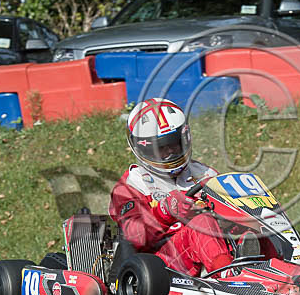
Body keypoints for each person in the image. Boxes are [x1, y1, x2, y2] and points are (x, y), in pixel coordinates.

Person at [109, 98, 258, 277]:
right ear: (143, 148)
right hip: (160, 264)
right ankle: (230, 277)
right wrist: (165, 212)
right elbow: (135, 237)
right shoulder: (132, 184)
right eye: (160, 148)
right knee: (200, 222)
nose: (170, 152)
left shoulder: (205, 174)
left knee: (252, 222)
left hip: (212, 248)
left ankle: (285, 264)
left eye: (173, 143)